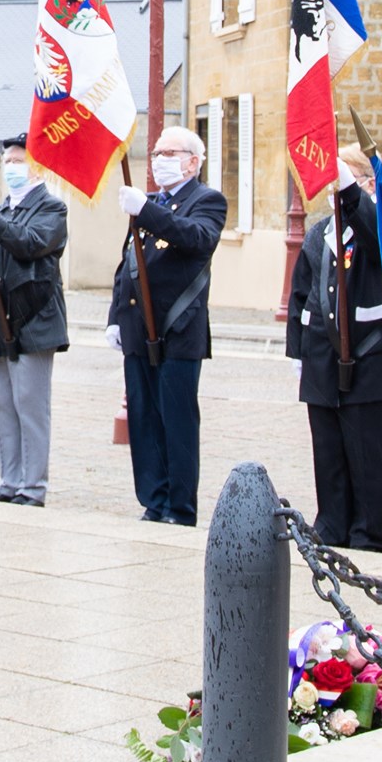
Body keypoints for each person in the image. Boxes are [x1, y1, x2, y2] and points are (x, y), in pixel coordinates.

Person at [109, 126, 227, 527]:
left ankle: (179, 506)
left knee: (175, 420)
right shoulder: (151, 202)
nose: (159, 158)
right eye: (156, 152)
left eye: (169, 152)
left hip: (177, 329)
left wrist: (146, 211)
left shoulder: (207, 201)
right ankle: (153, 498)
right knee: (143, 418)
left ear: (193, 161)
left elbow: (195, 238)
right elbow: (128, 264)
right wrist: (114, 317)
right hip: (139, 329)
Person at [286, 147, 382, 554]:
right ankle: (332, 525)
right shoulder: (320, 234)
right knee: (329, 456)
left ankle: (368, 536)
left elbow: (376, 235)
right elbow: (302, 297)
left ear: (367, 184)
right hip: (323, 367)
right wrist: (299, 356)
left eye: (345, 180)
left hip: (371, 365)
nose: (335, 188)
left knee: (369, 459)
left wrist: (354, 193)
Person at [0, 133, 70, 507]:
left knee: (30, 404)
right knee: (2, 403)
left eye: (19, 160)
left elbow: (29, 244)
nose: (11, 167)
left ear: (38, 166)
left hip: (32, 320)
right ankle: (9, 479)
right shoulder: (1, 210)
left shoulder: (51, 209)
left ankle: (33, 485)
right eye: (7, 161)